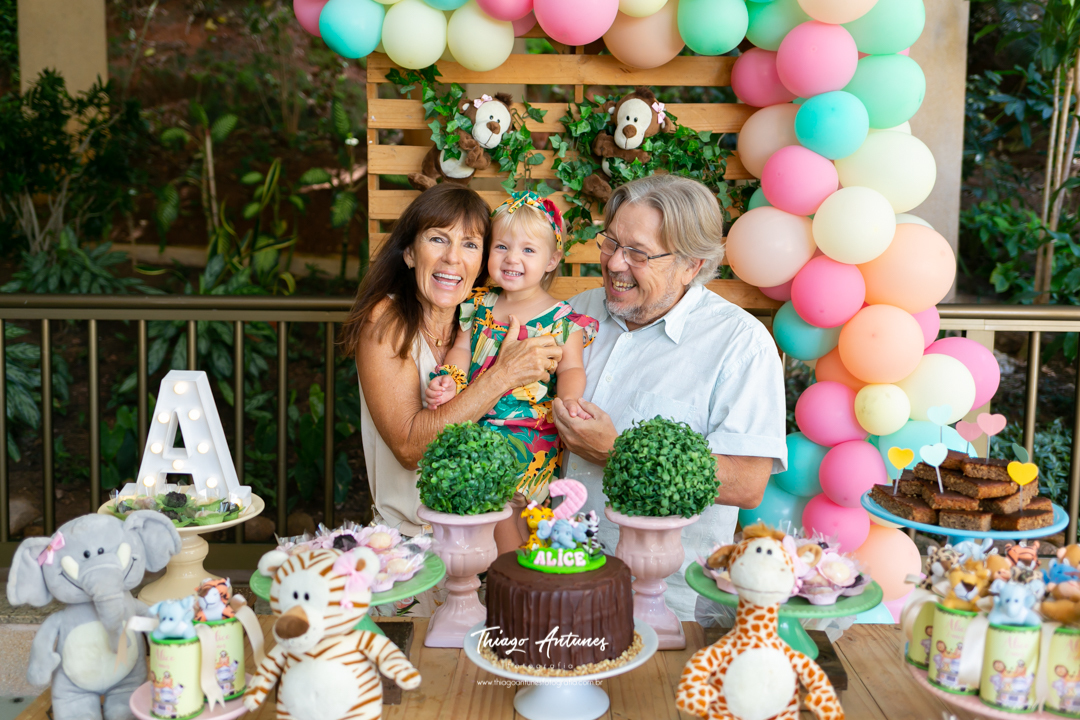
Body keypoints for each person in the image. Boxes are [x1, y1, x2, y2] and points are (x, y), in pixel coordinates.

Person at [552, 174, 788, 625]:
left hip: (665, 606)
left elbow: (746, 482)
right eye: (610, 242)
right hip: (557, 578)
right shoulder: (576, 314)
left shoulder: (740, 345)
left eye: (638, 253)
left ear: (690, 266)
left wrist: (617, 452)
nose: (615, 263)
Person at [341, 184, 564, 543]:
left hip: (496, 536)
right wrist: (503, 375)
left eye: (470, 244)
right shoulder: (386, 320)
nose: (452, 258)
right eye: (438, 239)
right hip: (418, 545)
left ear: (483, 261)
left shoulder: (486, 322)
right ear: (410, 253)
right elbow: (411, 448)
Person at [425, 190, 599, 504]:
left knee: (521, 509)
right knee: (474, 502)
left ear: (552, 260)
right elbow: (462, 348)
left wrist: (569, 401)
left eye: (528, 250)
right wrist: (451, 379)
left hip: (530, 434)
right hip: (474, 421)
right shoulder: (478, 304)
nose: (512, 258)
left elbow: (572, 368)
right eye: (501, 247)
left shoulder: (562, 320)